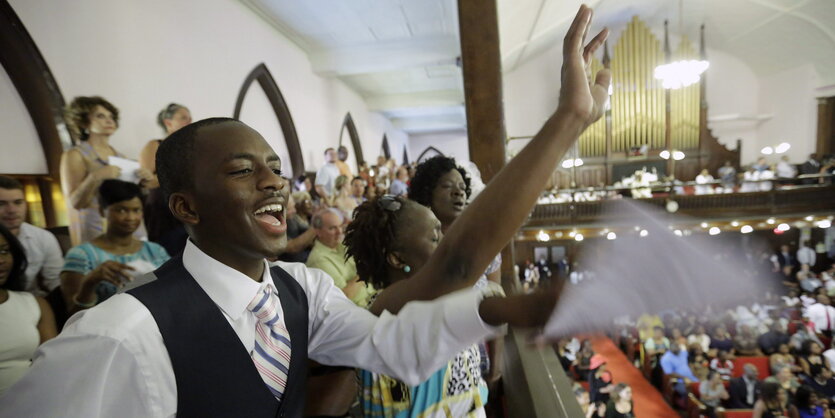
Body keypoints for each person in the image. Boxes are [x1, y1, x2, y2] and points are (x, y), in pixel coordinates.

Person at [0, 7, 611, 415]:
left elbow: (395, 349)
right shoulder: (121, 335)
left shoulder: (302, 291)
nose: (275, 182)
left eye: (274, 165)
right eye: (242, 170)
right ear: (183, 205)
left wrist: (500, 307)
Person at [59, 180, 170, 313]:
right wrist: (89, 283)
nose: (130, 217)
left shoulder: (155, 251)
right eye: (121, 210)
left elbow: (172, 292)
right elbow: (73, 315)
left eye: (136, 210)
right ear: (102, 211)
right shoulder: (82, 255)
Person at [60, 96, 152, 245]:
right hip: (97, 230)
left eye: (111, 116)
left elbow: (130, 198)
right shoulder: (75, 155)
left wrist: (143, 183)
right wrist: (95, 177)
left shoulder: (121, 157)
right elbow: (75, 203)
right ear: (83, 122)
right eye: (100, 116)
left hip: (130, 229)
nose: (109, 121)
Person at [0, 224, 57, 396]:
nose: (1, 260)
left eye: (4, 251)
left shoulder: (34, 304)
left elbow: (53, 364)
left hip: (36, 402)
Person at [139, 103, 193, 257]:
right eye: (183, 118)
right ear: (168, 123)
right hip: (162, 209)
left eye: (190, 118)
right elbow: (146, 181)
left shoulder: (192, 147)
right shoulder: (154, 145)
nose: (189, 121)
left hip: (190, 207)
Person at [0, 176, 63, 297]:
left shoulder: (43, 237)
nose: (12, 210)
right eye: (1, 204)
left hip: (31, 301)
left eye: (18, 202)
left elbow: (55, 281)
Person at [306, 208, 371, 307]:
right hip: (360, 309)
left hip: (373, 295)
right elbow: (345, 296)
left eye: (341, 226)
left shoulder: (343, 245)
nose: (340, 231)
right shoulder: (318, 259)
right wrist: (364, 271)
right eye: (332, 228)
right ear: (318, 232)